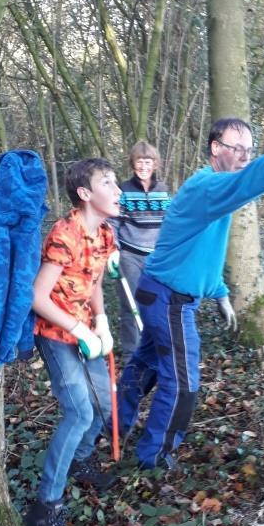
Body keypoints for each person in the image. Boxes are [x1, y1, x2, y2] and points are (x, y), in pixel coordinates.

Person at [116, 111, 264, 470]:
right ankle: (155, 458)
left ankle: (112, 426)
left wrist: (220, 293)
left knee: (146, 367)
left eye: (250, 151)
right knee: (182, 383)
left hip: (161, 292)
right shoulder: (207, 187)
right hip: (168, 299)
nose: (244, 157)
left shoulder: (214, 190)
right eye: (238, 149)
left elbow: (204, 249)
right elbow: (253, 179)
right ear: (215, 148)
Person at [24, 158, 121, 526]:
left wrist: (101, 320)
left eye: (116, 183)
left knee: (103, 406)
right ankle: (46, 506)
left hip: (87, 332)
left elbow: (93, 279)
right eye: (108, 183)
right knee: (80, 412)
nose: (117, 190)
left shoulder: (105, 234)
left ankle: (80, 461)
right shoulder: (65, 234)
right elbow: (37, 296)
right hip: (56, 334)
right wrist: (78, 327)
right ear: (85, 194)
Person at [110, 141, 171, 364]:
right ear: (132, 163)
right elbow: (114, 221)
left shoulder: (163, 190)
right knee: (130, 304)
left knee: (156, 304)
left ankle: (155, 351)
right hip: (129, 255)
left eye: (147, 161)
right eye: (139, 161)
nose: (143, 166)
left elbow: (170, 223)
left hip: (156, 258)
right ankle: (130, 356)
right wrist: (114, 247)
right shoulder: (124, 189)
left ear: (154, 164)